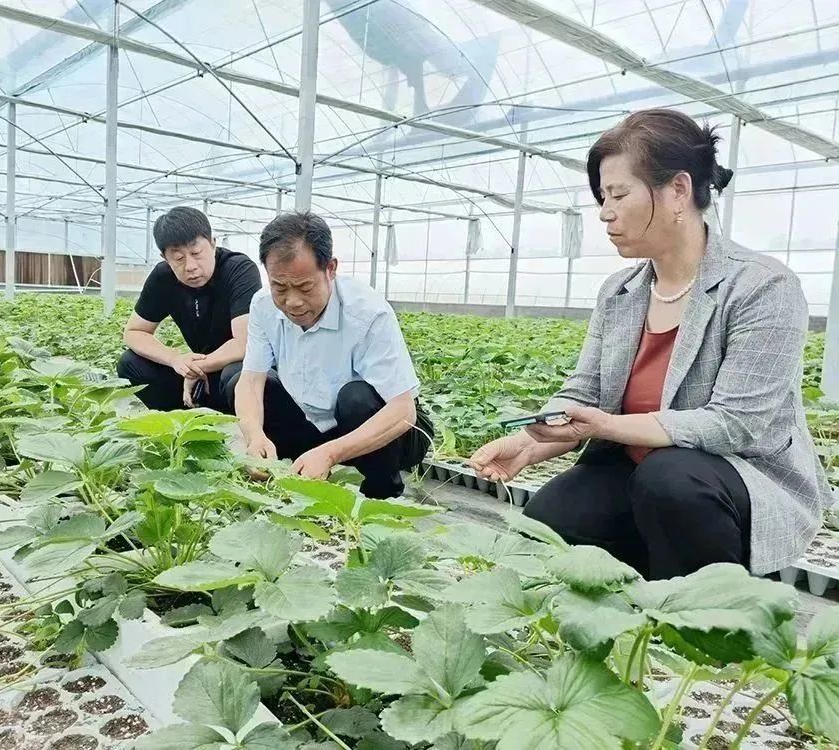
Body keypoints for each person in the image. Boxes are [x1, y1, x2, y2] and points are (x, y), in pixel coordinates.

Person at [469, 109, 831, 580]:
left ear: (678, 190)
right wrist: (529, 442)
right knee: (551, 521)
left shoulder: (763, 286)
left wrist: (608, 426)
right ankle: (633, 615)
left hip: (734, 479)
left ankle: (707, 619)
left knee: (672, 481)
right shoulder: (621, 291)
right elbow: (586, 391)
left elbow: (735, 426)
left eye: (618, 194)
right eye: (602, 196)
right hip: (636, 474)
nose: (605, 211)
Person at [228, 212, 433, 499]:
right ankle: (289, 475)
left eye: (305, 287)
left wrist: (330, 453)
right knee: (236, 380)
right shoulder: (263, 306)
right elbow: (251, 381)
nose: (293, 302)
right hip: (316, 422)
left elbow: (403, 411)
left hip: (389, 430)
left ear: (330, 268)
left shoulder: (368, 313)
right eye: (280, 287)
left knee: (356, 398)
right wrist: (254, 436)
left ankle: (382, 491)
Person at [117, 206, 261, 413]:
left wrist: (196, 369)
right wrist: (175, 359)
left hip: (229, 367)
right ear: (165, 257)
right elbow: (134, 332)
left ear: (212, 244)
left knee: (236, 375)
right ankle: (182, 420)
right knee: (130, 363)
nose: (190, 266)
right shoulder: (163, 278)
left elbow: (244, 343)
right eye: (178, 258)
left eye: (196, 253)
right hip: (195, 370)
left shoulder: (238, 269)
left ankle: (232, 421)